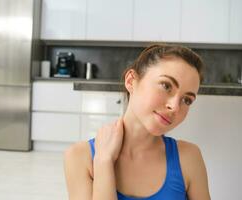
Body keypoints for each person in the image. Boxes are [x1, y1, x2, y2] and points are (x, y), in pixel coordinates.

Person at [64, 44, 211, 200]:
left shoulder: (188, 157)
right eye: (166, 86)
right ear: (131, 81)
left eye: (186, 100)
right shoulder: (80, 157)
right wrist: (103, 161)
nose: (174, 107)